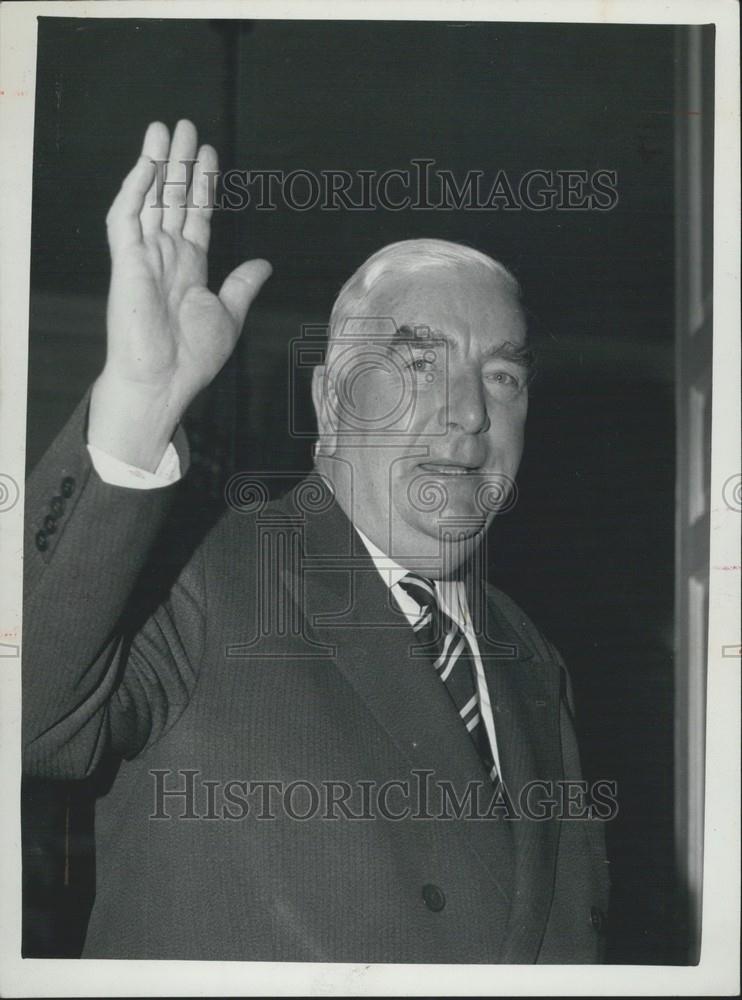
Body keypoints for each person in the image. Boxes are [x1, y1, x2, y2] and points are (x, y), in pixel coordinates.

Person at [23, 120, 610, 962]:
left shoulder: (530, 656)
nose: (471, 412)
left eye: (503, 376)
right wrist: (139, 405)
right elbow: (28, 713)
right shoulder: (198, 576)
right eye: (419, 364)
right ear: (332, 402)